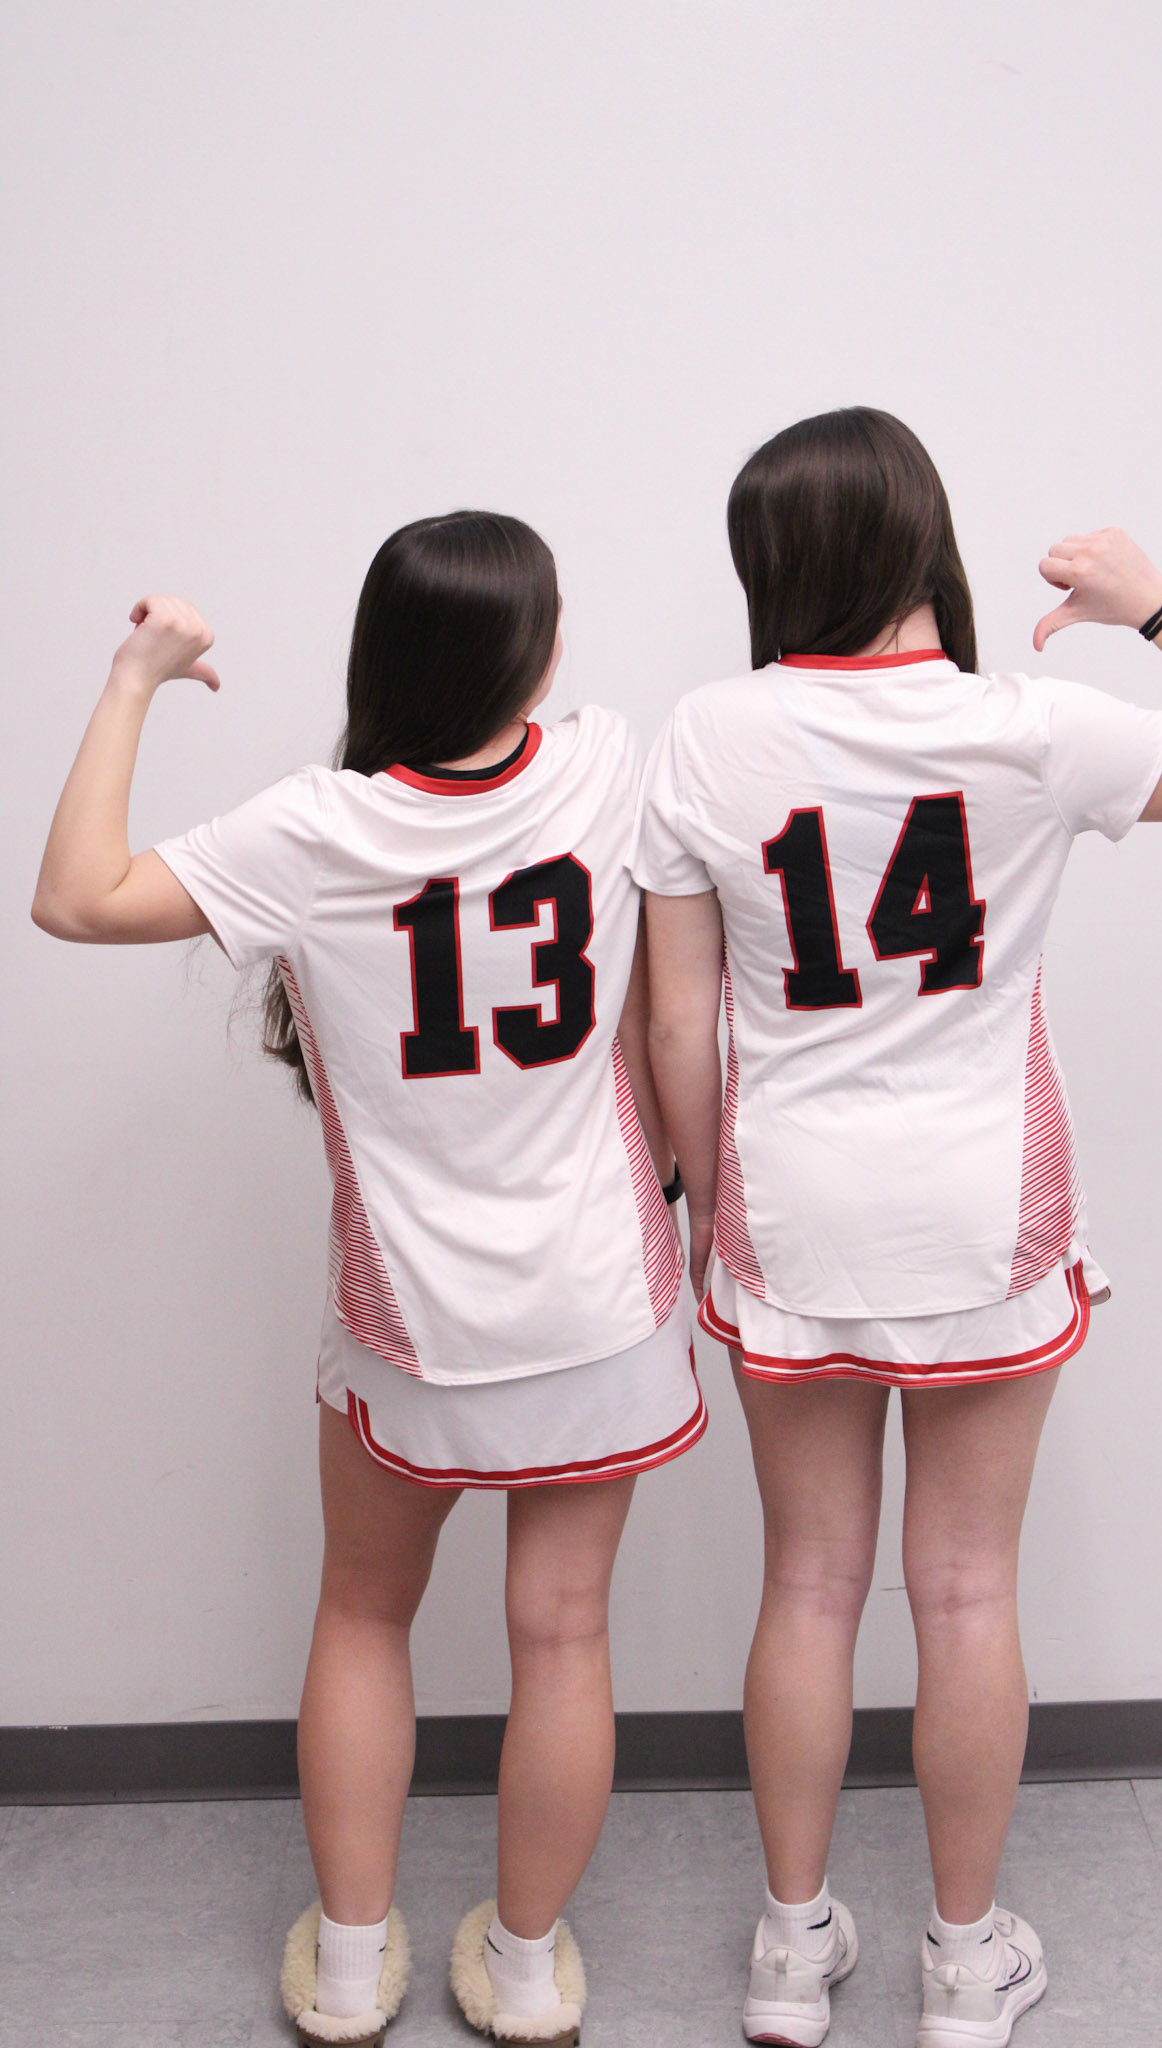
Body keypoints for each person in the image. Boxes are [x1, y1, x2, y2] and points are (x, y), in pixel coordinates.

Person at [632, 407, 1162, 2048]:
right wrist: (1156, 605)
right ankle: (964, 1968)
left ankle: (787, 1954)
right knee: (963, 1592)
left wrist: (708, 1207)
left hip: (788, 1209)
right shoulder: (1030, 726)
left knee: (807, 1582)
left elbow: (675, 1025)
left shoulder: (703, 737)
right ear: (923, 540)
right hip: (982, 1210)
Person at [32, 511, 704, 2048]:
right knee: (564, 1637)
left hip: (411, 1321)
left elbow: (72, 897)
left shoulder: (312, 833)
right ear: (535, 651)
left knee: (359, 1613)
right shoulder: (605, 765)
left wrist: (134, 679)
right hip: (602, 1304)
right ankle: (522, 1975)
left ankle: (346, 1975)